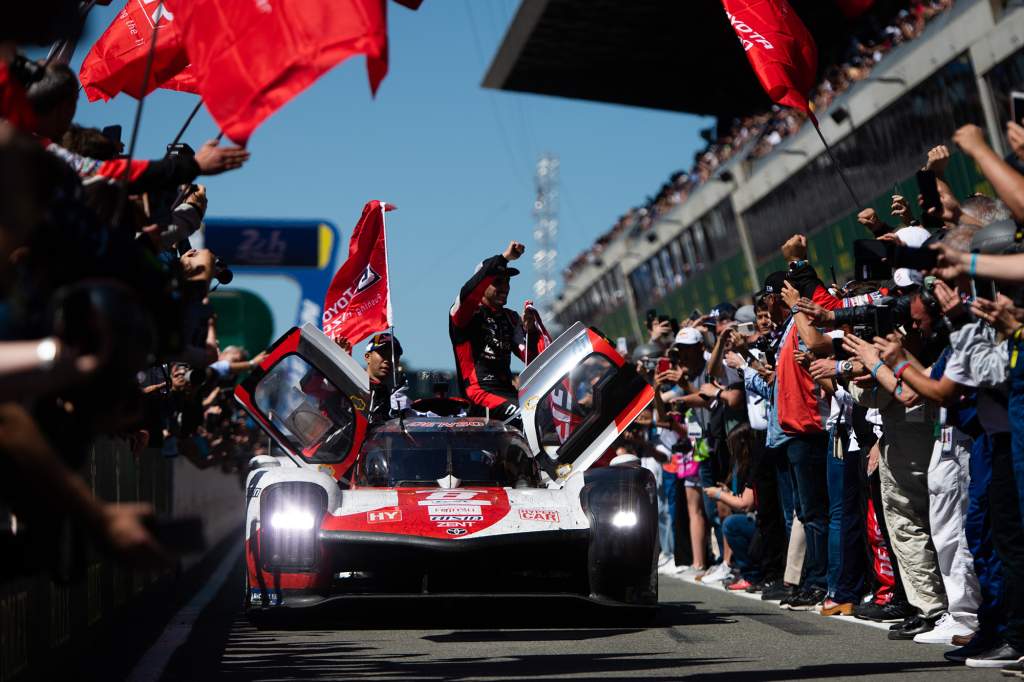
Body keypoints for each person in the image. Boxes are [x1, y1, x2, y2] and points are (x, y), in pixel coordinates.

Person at [449, 241, 542, 420]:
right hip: (479, 394)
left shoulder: (511, 317)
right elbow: (468, 291)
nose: (505, 288)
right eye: (498, 282)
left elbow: (532, 359)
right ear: (482, 285)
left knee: (547, 414)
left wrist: (531, 332)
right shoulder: (464, 314)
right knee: (528, 417)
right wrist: (504, 258)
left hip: (508, 393)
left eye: (507, 282)